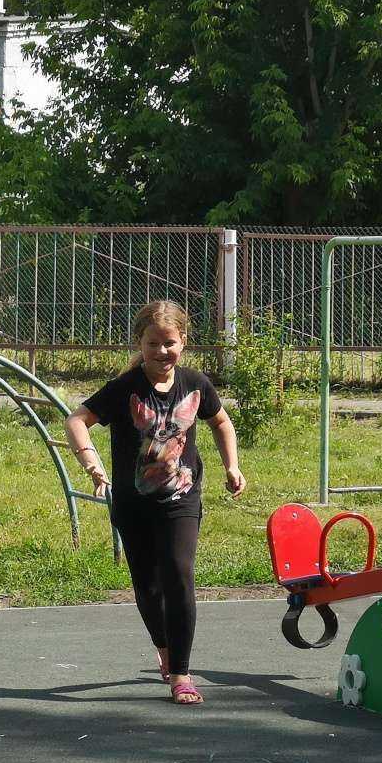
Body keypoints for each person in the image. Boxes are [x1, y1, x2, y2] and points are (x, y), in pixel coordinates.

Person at [64, 300, 246, 705]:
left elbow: (220, 422)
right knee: (148, 588)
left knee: (179, 575)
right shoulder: (124, 389)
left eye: (170, 343)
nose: (162, 352)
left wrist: (232, 466)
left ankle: (181, 673)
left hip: (181, 498)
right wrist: (93, 465)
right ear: (139, 344)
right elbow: (76, 420)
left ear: (183, 341)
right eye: (152, 344)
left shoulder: (196, 384)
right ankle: (164, 647)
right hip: (134, 504)